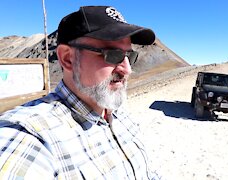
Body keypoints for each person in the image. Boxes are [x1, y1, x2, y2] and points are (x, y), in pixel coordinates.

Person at [0, 6, 160, 179]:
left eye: (130, 56)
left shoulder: (119, 115)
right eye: (113, 54)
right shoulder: (31, 136)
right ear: (67, 58)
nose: (127, 69)